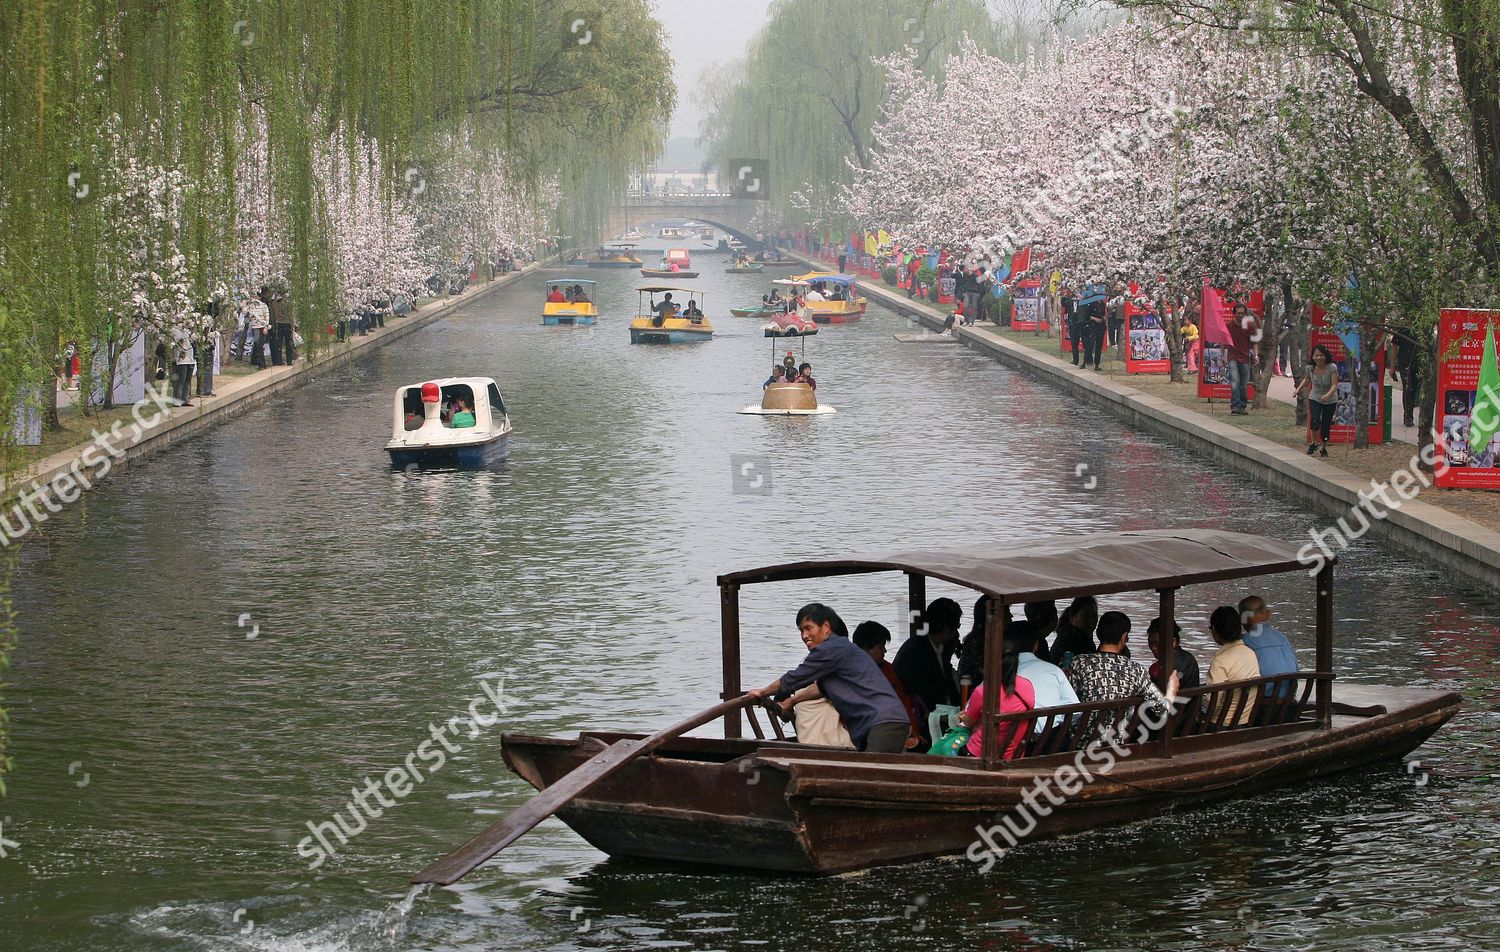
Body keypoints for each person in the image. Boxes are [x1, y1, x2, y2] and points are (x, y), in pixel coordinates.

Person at [747, 603, 911, 753]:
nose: (804, 635)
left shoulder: (830, 648)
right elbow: (820, 688)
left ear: (825, 627)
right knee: (873, 777)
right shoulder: (839, 651)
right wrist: (791, 701)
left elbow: (795, 678)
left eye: (808, 628)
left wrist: (762, 692)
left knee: (873, 779)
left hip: (881, 723)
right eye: (801, 631)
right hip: (885, 722)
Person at [1068, 611, 1180, 717]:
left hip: (1082, 735)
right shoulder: (1136, 670)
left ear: (1098, 634)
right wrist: (1171, 690)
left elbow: (1069, 699)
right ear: (1124, 637)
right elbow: (1162, 709)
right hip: (1117, 736)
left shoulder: (1078, 662)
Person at [957, 629, 1036, 760]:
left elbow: (968, 723)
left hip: (981, 756)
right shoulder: (1028, 686)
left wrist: (963, 716)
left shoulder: (984, 690)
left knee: (946, 747)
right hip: (1015, 756)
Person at [852, 621, 923, 750]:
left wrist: (913, 730)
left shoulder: (888, 670)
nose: (885, 651)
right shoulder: (850, 672)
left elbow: (903, 701)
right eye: (881, 647)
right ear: (866, 648)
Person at [893, 597, 963, 717]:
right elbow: (924, 698)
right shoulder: (915, 653)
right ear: (946, 629)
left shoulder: (940, 647)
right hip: (920, 717)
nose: (957, 632)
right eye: (957, 626)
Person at [1014, 621, 1080, 729]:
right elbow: (1076, 711)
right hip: (1051, 740)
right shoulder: (1054, 671)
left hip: (1014, 740)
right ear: (1036, 645)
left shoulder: (1001, 674)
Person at [1205, 605, 1260, 726]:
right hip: (1244, 722)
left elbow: (1212, 703)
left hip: (1220, 726)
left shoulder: (1221, 661)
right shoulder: (1250, 653)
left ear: (1214, 629)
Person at [1238, 595, 1299, 692]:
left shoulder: (1245, 641)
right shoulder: (1282, 638)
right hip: (1289, 699)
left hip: (1265, 702)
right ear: (1267, 614)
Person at [1299, 344, 1339, 457]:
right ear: (1312, 357)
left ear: (1325, 356)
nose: (1318, 358)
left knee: (1326, 425)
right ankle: (1313, 443)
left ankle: (1324, 447)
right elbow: (1307, 380)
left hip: (1330, 399)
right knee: (1315, 421)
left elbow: (1334, 385)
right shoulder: (1310, 367)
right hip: (1315, 397)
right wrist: (1298, 390)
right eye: (1316, 356)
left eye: (1321, 355)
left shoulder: (1332, 367)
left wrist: (1327, 395)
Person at [1145, 617, 1201, 689]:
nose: (1153, 648)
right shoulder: (1189, 658)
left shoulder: (1160, 668)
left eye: (1158, 644)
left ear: (1173, 642)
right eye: (1150, 643)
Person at [1226, 301, 1259, 415]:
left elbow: (1254, 342)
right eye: (1238, 313)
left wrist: (1256, 355)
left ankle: (1242, 406)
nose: (1240, 315)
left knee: (1243, 384)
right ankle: (1235, 405)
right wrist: (1221, 355)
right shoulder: (1229, 325)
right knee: (1235, 380)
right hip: (1232, 356)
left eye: (1242, 313)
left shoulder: (1249, 326)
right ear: (1234, 313)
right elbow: (1223, 341)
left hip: (1244, 357)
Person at [1049, 596, 1098, 669]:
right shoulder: (1076, 639)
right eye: (1085, 616)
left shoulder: (1064, 634)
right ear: (1072, 617)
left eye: (1094, 616)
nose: (1091, 621)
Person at [1394, 332, 1420, 427]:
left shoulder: (1422, 328)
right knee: (1408, 389)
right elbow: (1394, 347)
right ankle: (1408, 417)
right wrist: (1392, 366)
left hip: (1419, 363)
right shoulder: (1401, 327)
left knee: (1417, 389)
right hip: (1404, 362)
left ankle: (1420, 417)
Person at [170, 323, 196, 406]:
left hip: (190, 358)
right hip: (182, 360)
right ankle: (176, 400)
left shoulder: (187, 331)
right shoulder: (175, 330)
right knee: (180, 380)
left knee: (187, 380)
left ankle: (185, 399)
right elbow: (176, 338)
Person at [268, 286, 295, 366]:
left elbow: (272, 315)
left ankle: (279, 361)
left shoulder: (274, 303)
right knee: (288, 343)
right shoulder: (289, 303)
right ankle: (289, 361)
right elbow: (291, 315)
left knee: (278, 343)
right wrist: (293, 325)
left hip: (278, 324)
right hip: (287, 323)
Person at [247, 288, 271, 369]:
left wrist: (265, 327)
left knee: (260, 344)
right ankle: (261, 363)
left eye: (256, 296)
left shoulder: (264, 306)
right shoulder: (251, 306)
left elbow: (267, 317)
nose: (255, 298)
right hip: (255, 327)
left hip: (262, 326)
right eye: (254, 296)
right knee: (257, 344)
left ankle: (262, 363)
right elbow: (249, 317)